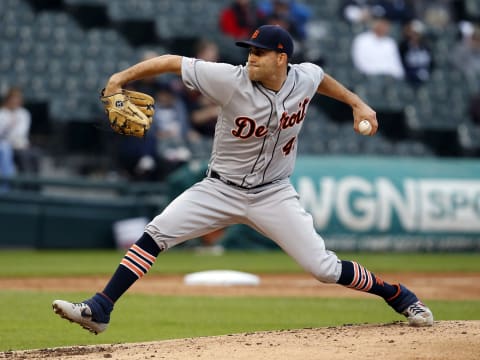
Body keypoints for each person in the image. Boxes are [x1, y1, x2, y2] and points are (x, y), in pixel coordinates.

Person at [52, 25, 433, 334]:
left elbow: (321, 80)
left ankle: (396, 294)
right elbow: (171, 61)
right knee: (157, 232)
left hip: (274, 195)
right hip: (219, 188)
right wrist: (121, 77)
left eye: (258, 52)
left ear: (281, 58)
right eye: (249, 50)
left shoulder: (304, 76)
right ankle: (101, 309)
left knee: (324, 269)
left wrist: (357, 103)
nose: (250, 57)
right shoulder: (228, 79)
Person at [351, 15, 405, 79]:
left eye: (386, 25)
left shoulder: (390, 43)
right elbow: (359, 63)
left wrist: (398, 76)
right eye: (382, 24)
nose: (384, 27)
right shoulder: (362, 39)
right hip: (369, 77)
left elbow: (396, 65)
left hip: (388, 78)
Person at [0, 87, 40, 174]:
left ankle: (34, 186)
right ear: (8, 99)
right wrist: (8, 125)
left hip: (21, 145)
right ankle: (22, 185)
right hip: (7, 146)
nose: (15, 101)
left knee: (35, 154)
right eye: (13, 99)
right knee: (23, 156)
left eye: (17, 99)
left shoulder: (24, 113)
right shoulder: (2, 113)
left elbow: (21, 132)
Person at [398, 19, 434, 87]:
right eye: (413, 33)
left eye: (417, 34)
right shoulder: (403, 46)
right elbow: (401, 63)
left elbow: (431, 64)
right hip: (409, 77)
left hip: (425, 75)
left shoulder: (426, 46)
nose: (414, 36)